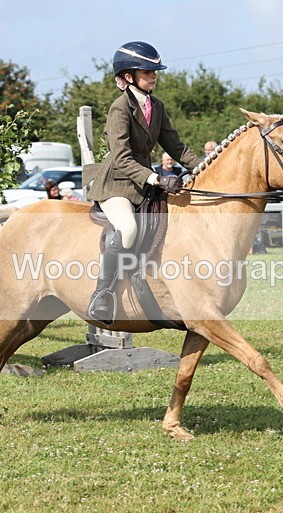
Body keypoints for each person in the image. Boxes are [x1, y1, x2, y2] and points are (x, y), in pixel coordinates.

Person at [83, 41, 202, 324]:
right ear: (128, 76)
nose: (154, 76)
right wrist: (157, 178)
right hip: (117, 183)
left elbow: (176, 147)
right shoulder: (119, 108)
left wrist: (206, 167)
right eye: (148, 71)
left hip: (144, 183)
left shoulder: (156, 106)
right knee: (128, 228)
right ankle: (102, 294)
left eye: (155, 71)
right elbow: (122, 157)